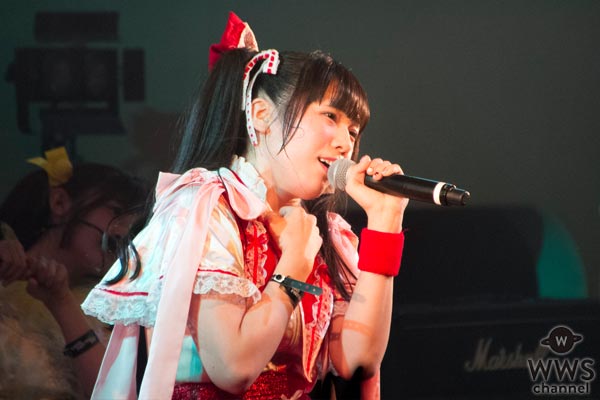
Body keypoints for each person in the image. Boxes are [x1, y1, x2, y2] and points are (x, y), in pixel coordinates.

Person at [82, 11, 409, 400]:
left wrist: (385, 222)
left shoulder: (325, 234)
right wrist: (294, 266)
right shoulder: (205, 207)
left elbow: (357, 360)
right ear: (261, 115)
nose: (345, 143)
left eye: (353, 131)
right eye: (330, 116)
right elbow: (232, 367)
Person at [0, 147, 149, 399]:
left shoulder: (102, 312)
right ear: (59, 202)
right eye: (115, 212)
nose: (122, 233)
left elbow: (111, 395)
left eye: (131, 228)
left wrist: (62, 303)